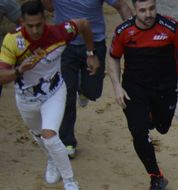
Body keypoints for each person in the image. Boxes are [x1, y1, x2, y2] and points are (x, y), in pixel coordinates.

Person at [0, 0, 91, 190]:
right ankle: (51, 159)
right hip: (26, 100)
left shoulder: (60, 32)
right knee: (38, 134)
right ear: (22, 22)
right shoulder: (12, 41)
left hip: (54, 92)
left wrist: (91, 53)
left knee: (50, 135)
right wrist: (18, 71)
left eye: (38, 25)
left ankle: (69, 182)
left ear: (45, 19)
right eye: (29, 26)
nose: (34, 30)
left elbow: (84, 24)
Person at [108, 0, 178, 190]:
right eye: (142, 10)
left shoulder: (170, 26)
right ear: (135, 10)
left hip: (165, 88)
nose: (148, 14)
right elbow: (113, 56)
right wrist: (116, 86)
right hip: (134, 88)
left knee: (162, 127)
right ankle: (156, 177)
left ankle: (147, 116)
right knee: (138, 131)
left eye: (151, 9)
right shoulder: (124, 31)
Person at [53, 0, 131, 156]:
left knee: (93, 91)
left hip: (95, 44)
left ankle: (83, 90)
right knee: (66, 94)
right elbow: (48, 7)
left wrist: (134, 31)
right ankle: (67, 141)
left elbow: (121, 5)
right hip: (65, 46)